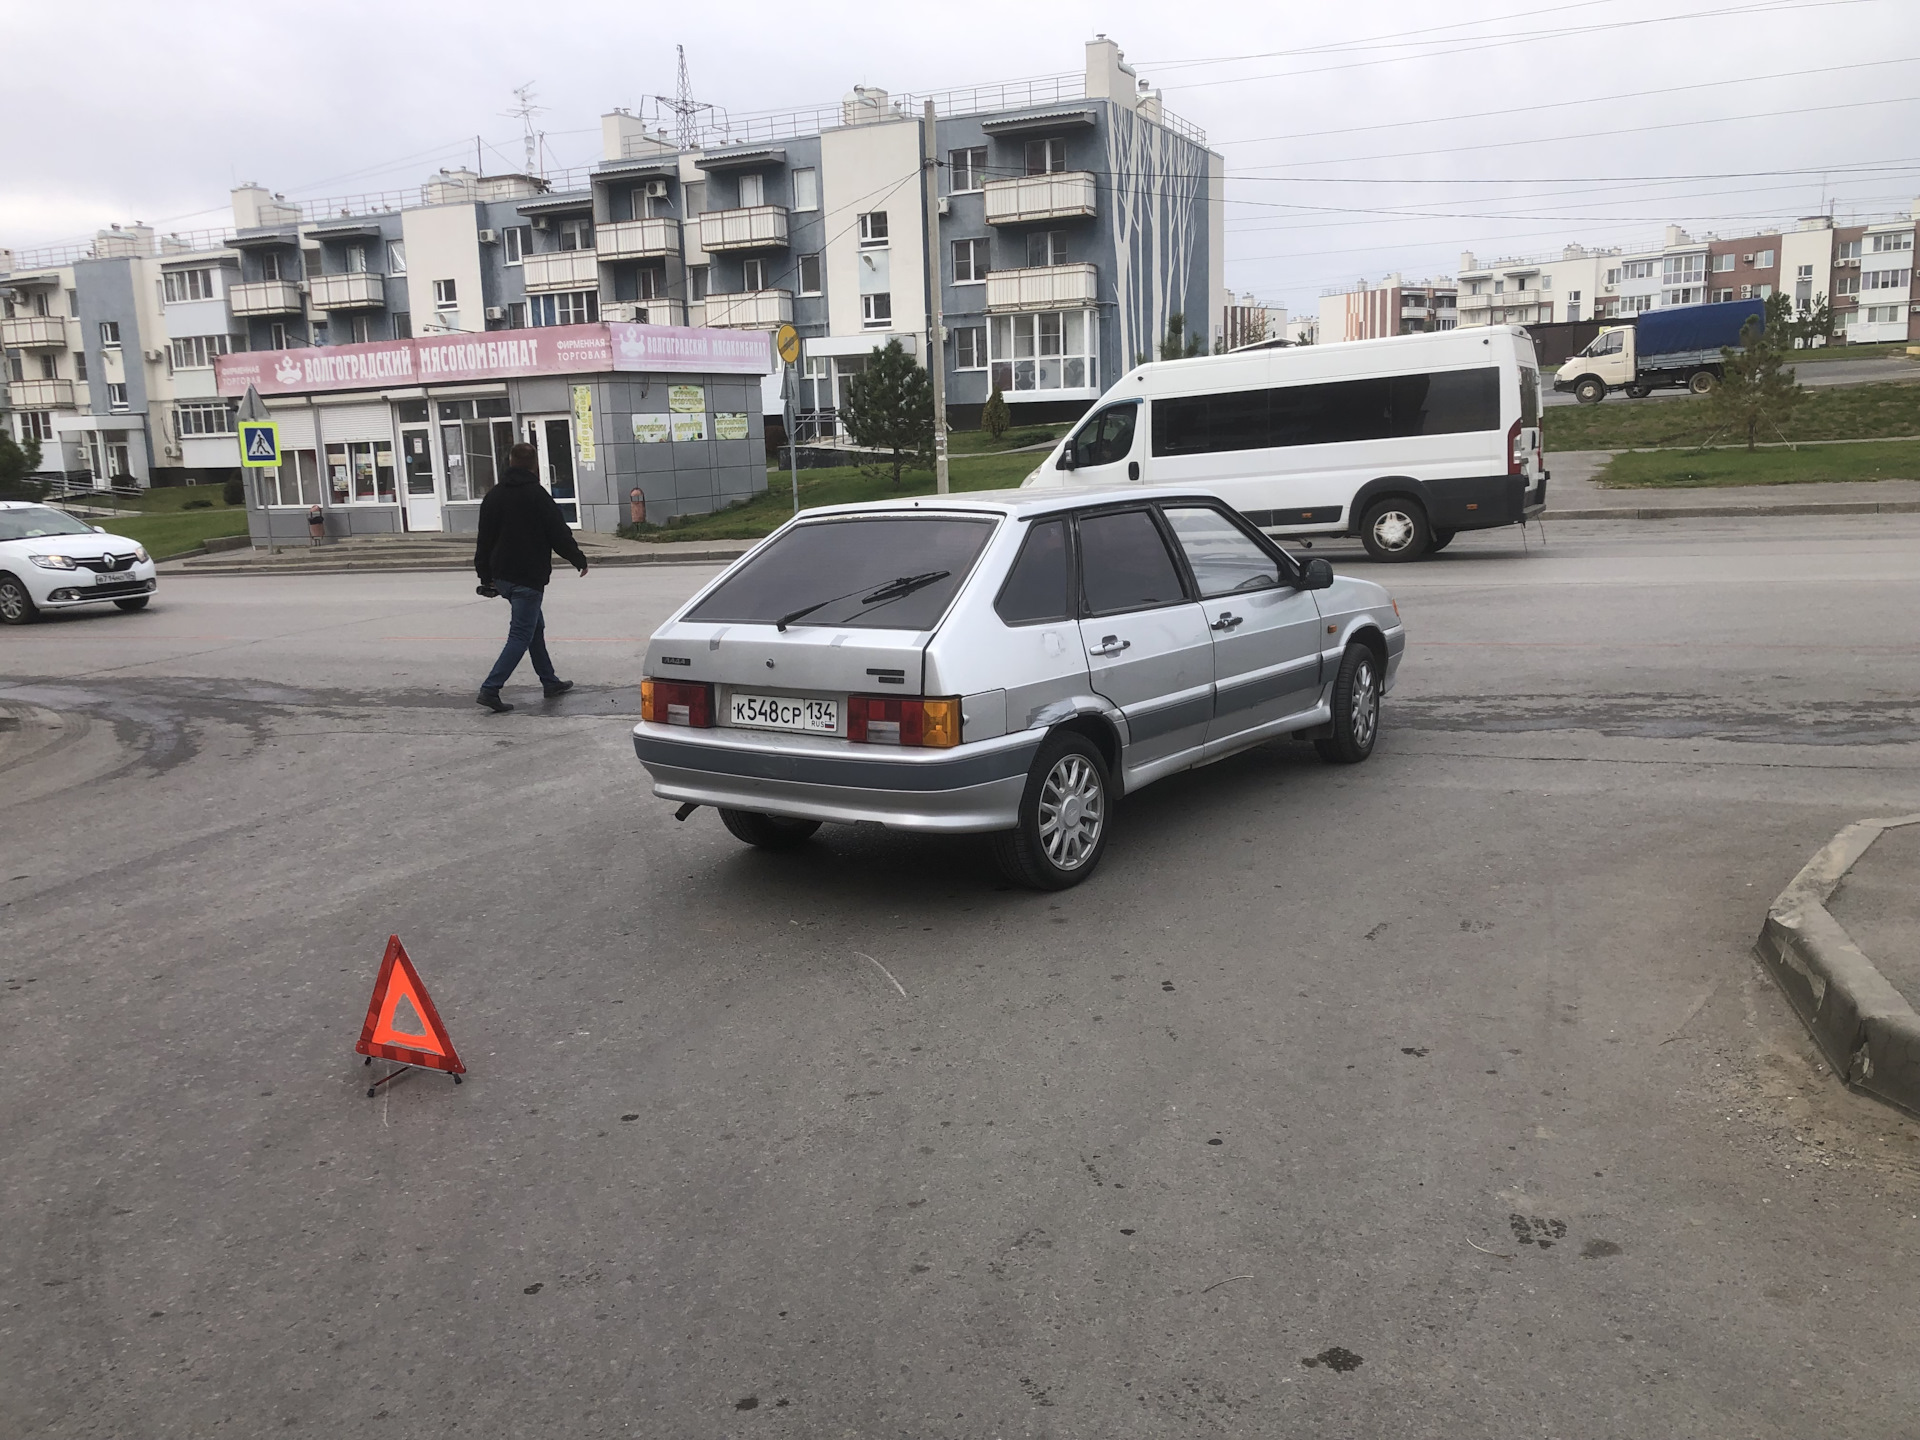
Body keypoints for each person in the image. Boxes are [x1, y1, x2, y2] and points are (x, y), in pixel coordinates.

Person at [473, 442, 590, 713]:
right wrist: (578, 559)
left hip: (502, 575)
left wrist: (484, 575)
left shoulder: (494, 496)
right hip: (528, 576)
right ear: (534, 465)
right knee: (521, 634)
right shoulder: (537, 496)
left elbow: (484, 540)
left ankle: (550, 682)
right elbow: (558, 533)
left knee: (534, 628)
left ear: (510, 462)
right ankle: (490, 689)